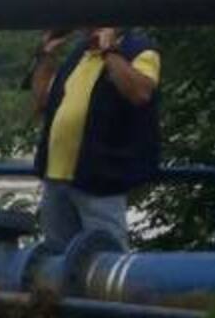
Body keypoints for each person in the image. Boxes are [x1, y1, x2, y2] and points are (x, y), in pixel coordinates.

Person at [30, 26, 162, 251]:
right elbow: (42, 100)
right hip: (56, 177)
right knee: (56, 258)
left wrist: (109, 51)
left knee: (106, 254)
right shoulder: (77, 55)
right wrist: (46, 56)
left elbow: (140, 93)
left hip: (102, 177)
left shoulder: (140, 51)